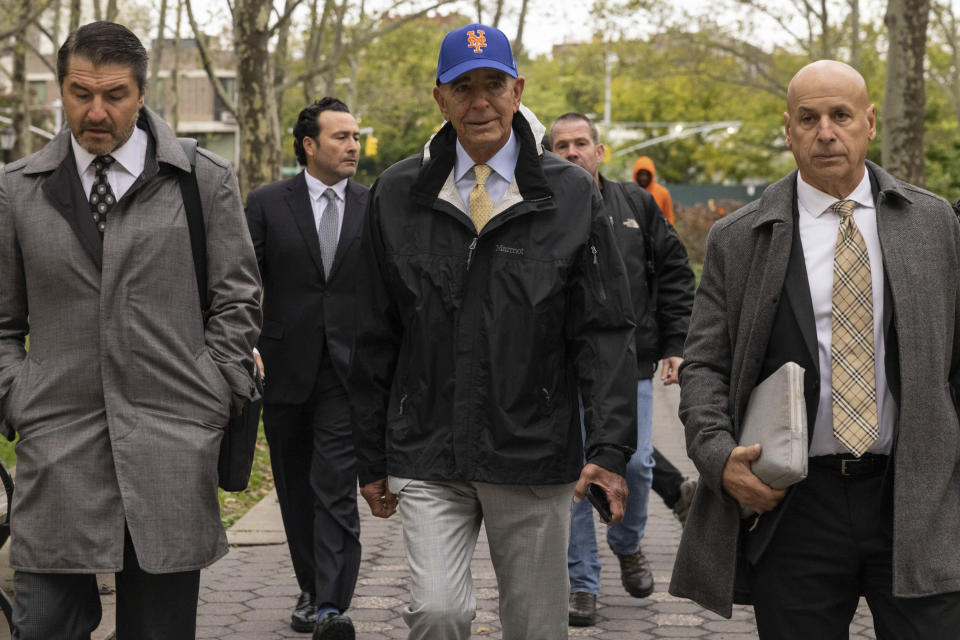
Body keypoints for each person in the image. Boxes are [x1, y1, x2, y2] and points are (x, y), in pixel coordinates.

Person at [349, 23, 637, 640]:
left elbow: (605, 330)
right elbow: (372, 332)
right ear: (440, 98)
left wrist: (609, 451)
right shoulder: (396, 193)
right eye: (463, 87)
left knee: (536, 626)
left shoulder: (569, 193)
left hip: (532, 452)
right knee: (436, 611)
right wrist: (370, 454)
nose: (479, 102)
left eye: (494, 85)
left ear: (517, 90)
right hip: (428, 448)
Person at [669, 59, 960, 637]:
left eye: (840, 115)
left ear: (869, 123)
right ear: (788, 129)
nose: (825, 131)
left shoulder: (935, 224)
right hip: (796, 504)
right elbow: (703, 364)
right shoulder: (741, 237)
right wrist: (716, 454)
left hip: (917, 499)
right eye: (808, 118)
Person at [0, 21, 261, 639]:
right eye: (79, 93)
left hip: (170, 450)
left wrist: (211, 392)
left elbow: (239, 300)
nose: (95, 111)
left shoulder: (203, 181)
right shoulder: (17, 192)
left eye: (114, 94)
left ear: (142, 94)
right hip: (58, 450)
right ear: (59, 91)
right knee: (43, 628)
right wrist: (19, 396)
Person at [549, 112, 696, 627]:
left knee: (635, 466)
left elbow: (676, 273)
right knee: (572, 474)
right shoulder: (539, 208)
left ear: (600, 150)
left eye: (581, 143)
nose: (572, 152)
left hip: (629, 362)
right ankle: (583, 583)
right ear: (548, 152)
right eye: (561, 145)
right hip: (560, 371)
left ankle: (627, 543)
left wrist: (675, 343)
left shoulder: (636, 204)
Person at [245, 98, 366, 638]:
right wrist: (243, 343)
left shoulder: (374, 203)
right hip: (283, 368)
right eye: (340, 136)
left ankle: (331, 606)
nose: (353, 146)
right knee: (295, 488)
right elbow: (241, 283)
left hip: (349, 369)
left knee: (335, 484)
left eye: (356, 136)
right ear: (309, 146)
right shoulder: (268, 203)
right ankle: (311, 586)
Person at [633, 155, 674, 225]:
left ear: (651, 175)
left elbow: (669, 218)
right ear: (636, 175)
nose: (644, 178)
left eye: (647, 174)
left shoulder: (663, 193)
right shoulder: (630, 193)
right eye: (641, 174)